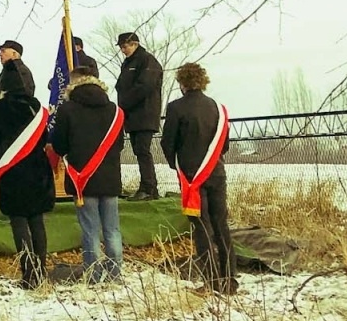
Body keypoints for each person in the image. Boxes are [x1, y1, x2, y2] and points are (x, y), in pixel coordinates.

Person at [162, 63, 236, 294]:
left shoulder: (176, 108)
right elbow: (224, 145)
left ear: (181, 82)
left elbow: (167, 143)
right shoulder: (218, 109)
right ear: (203, 81)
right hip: (217, 172)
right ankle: (230, 280)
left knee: (202, 227)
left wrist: (177, 165)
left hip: (191, 178)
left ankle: (211, 280)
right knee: (221, 224)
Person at [0, 60, 56, 288]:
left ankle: (28, 274)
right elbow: (44, 139)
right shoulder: (36, 108)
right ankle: (41, 272)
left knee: (19, 222)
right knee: (37, 221)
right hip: (37, 170)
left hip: (11, 172)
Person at [51, 69, 124, 282]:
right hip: (109, 177)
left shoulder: (67, 109)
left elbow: (59, 144)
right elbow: (119, 144)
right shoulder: (114, 110)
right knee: (112, 230)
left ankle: (93, 275)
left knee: (90, 230)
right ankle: (115, 274)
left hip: (82, 179)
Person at [115, 32, 164, 200]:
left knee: (143, 150)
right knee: (139, 150)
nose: (123, 50)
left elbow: (145, 86)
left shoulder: (147, 60)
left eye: (125, 46)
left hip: (144, 113)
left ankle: (149, 188)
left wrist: (125, 102)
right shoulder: (128, 63)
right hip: (133, 115)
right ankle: (147, 187)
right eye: (121, 47)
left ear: (135, 44)